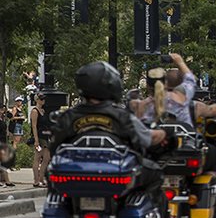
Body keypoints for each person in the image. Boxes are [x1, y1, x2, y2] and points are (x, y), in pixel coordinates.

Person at [50, 62, 169, 196]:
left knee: (52, 179)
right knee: (156, 174)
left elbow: (54, 146)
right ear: (112, 85)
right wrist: (165, 134)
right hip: (115, 174)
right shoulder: (122, 116)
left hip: (75, 172)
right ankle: (153, 215)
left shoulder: (68, 117)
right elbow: (145, 139)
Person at [30, 92, 52, 187]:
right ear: (37, 100)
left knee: (47, 158)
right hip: (39, 136)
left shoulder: (43, 110)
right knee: (37, 157)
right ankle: (36, 180)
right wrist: (36, 140)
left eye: (43, 99)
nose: (43, 100)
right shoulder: (35, 111)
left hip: (45, 136)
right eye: (41, 99)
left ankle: (41, 178)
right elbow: (34, 126)